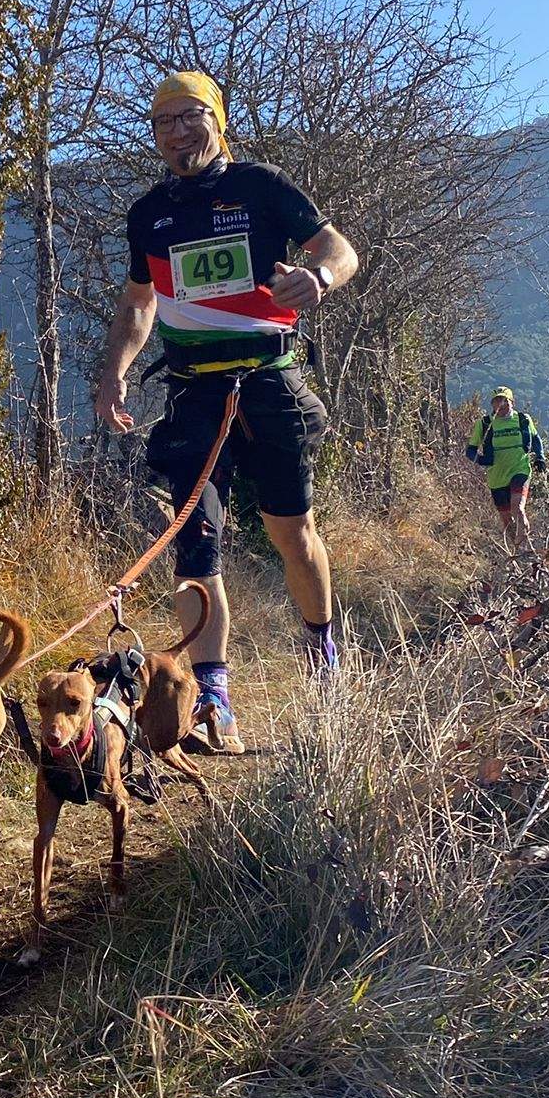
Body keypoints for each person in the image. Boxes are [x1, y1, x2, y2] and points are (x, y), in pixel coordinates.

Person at [95, 71, 359, 750]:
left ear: (218, 120)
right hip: (192, 396)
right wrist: (114, 374)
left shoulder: (262, 186)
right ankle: (214, 697)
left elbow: (340, 249)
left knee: (291, 533)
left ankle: (322, 651)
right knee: (194, 541)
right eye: (165, 122)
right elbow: (139, 302)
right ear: (155, 136)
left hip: (269, 384)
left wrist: (319, 277)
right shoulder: (148, 213)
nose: (179, 131)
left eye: (191, 116)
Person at [465, 386, 546, 554]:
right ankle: (517, 550)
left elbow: (536, 439)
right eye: (496, 401)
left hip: (520, 469)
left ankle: (526, 551)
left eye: (504, 401)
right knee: (506, 519)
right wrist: (480, 460)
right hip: (497, 477)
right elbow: (470, 450)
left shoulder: (523, 419)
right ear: (492, 405)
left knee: (518, 508)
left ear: (512, 403)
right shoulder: (485, 424)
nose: (500, 405)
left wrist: (540, 457)